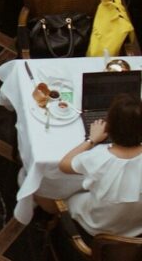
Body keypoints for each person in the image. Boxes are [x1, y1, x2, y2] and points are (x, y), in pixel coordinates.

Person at [34, 94, 142, 238]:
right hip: (136, 226)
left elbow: (64, 165)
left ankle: (47, 219)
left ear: (109, 127)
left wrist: (91, 139)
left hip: (96, 225)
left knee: (47, 188)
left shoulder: (99, 156)